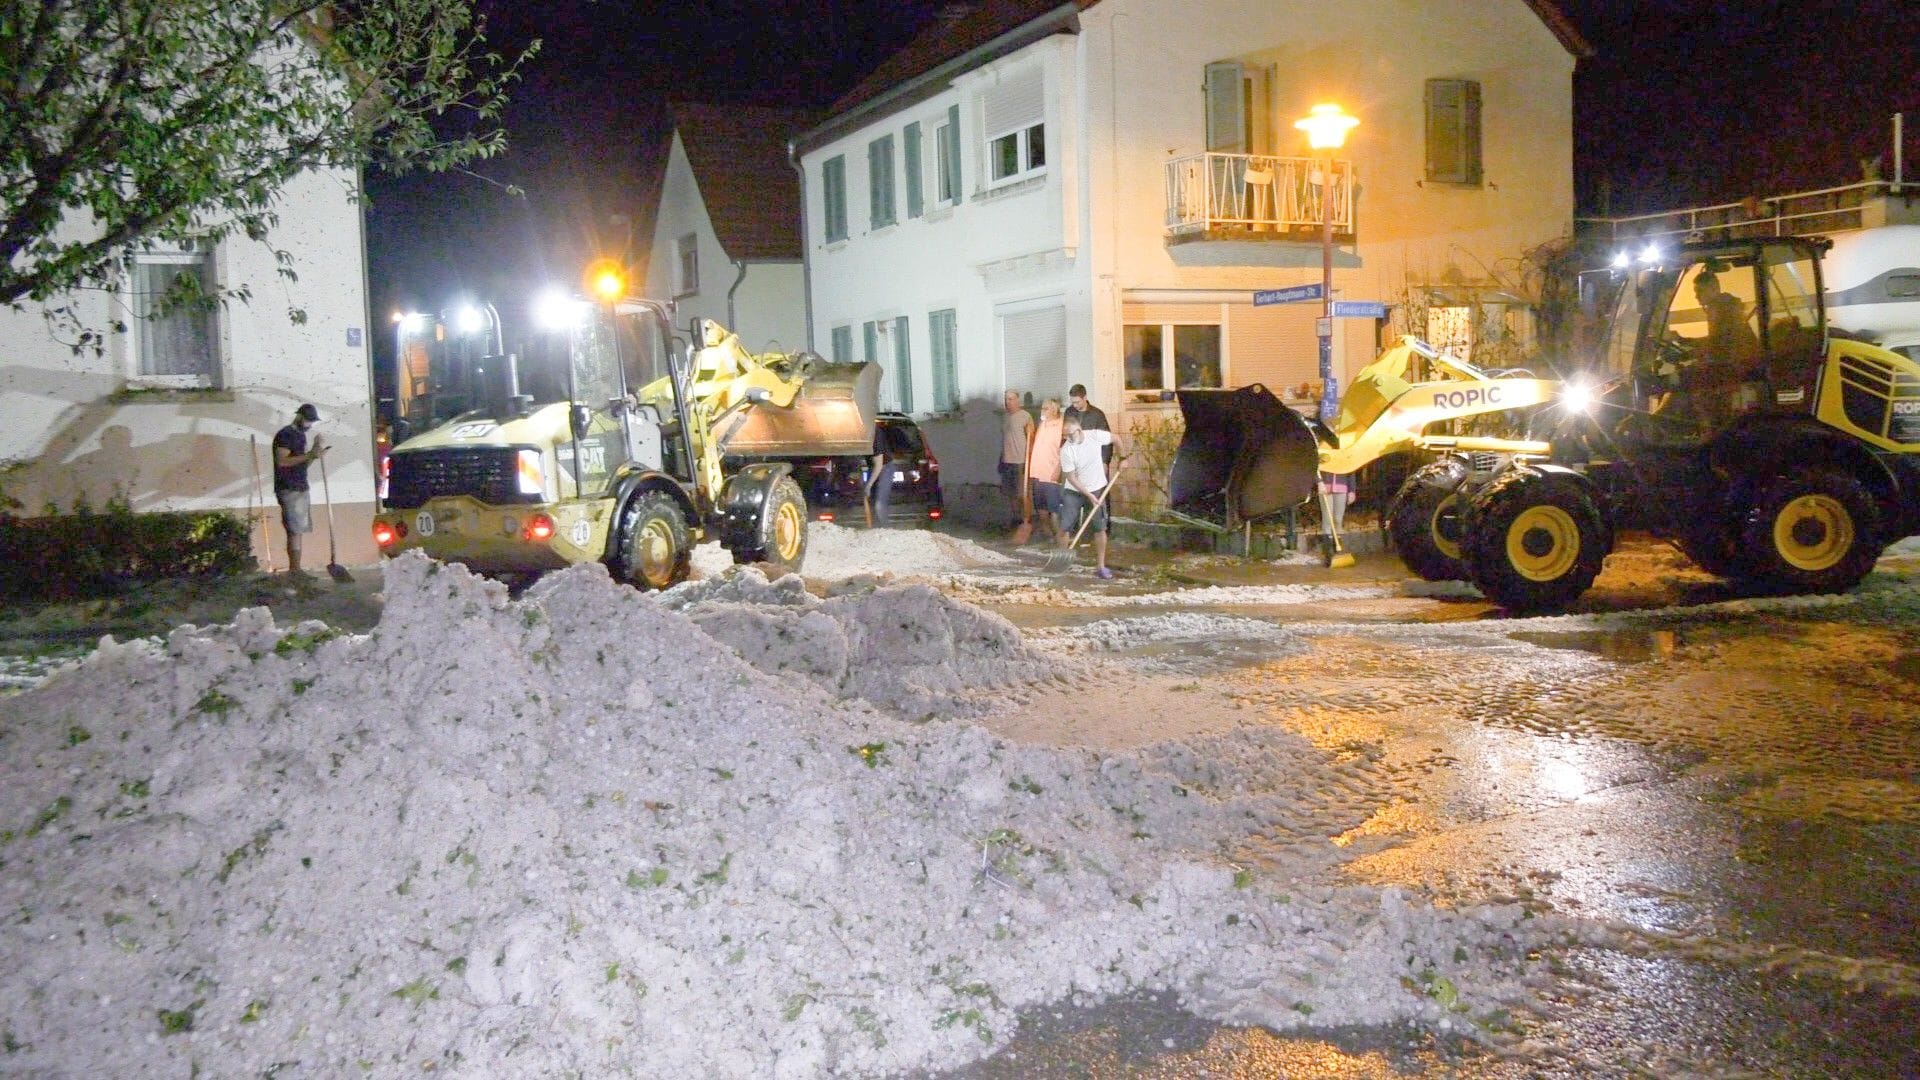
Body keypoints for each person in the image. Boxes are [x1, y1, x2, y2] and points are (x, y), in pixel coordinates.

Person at [272, 403, 329, 575]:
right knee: (295, 529)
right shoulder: (286, 435)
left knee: (298, 530)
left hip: (299, 485)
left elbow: (303, 463)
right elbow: (282, 461)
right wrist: (310, 454)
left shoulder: (300, 436)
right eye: (308, 421)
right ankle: (295, 570)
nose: (310, 425)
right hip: (289, 487)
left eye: (312, 422)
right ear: (299, 417)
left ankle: (297, 569)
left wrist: (315, 452)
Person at [1058, 415, 1116, 579]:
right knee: (1064, 527)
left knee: (1100, 528)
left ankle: (1101, 566)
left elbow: (1116, 439)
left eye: (1070, 434)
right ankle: (1062, 562)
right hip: (1074, 491)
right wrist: (1089, 495)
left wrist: (1123, 458)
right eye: (1065, 436)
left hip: (1097, 487)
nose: (1067, 438)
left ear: (1079, 429)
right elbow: (1071, 478)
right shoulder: (1066, 450)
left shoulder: (1095, 436)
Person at [1026, 398, 1066, 543]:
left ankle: (1060, 539)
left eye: (1045, 408)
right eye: (1042, 408)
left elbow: (1064, 450)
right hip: (1037, 471)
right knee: (1040, 507)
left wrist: (1058, 469)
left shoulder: (1061, 425)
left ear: (1054, 410)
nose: (1042, 411)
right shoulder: (1042, 424)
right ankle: (1047, 535)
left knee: (1053, 508)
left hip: (1051, 472)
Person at [999, 390, 1033, 530]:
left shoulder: (1025, 416)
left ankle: (1027, 520)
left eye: (1011, 399)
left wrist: (1028, 460)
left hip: (1020, 461)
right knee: (1010, 493)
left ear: (1018, 400)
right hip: (1007, 460)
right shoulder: (1005, 417)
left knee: (1022, 493)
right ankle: (1016, 519)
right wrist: (1000, 459)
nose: (1008, 402)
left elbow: (1031, 439)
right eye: (1006, 399)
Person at [866, 421, 894, 527]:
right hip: (872, 468)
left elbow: (879, 465)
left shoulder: (875, 435)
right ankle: (874, 530)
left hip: (885, 468)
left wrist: (868, 485)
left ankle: (886, 532)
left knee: (879, 505)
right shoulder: (861, 435)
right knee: (872, 501)